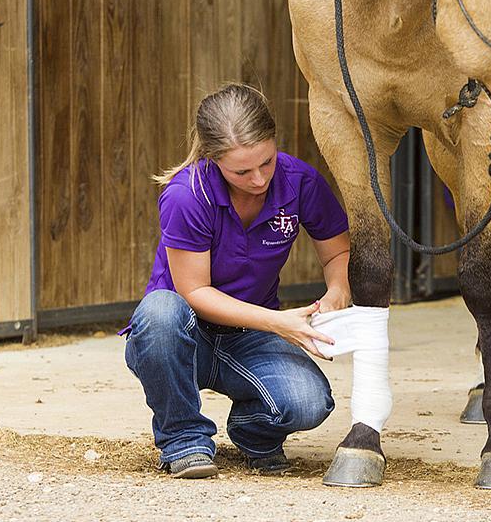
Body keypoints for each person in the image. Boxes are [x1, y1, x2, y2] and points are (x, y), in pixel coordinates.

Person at [122, 82, 350, 479]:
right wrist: (281, 323)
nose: (259, 178)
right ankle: (184, 440)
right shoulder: (186, 194)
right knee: (159, 311)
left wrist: (337, 291)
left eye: (267, 162)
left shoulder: (300, 182)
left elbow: (336, 252)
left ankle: (253, 433)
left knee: (309, 403)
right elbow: (194, 292)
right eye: (242, 171)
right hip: (182, 336)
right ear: (213, 159)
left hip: (248, 336)